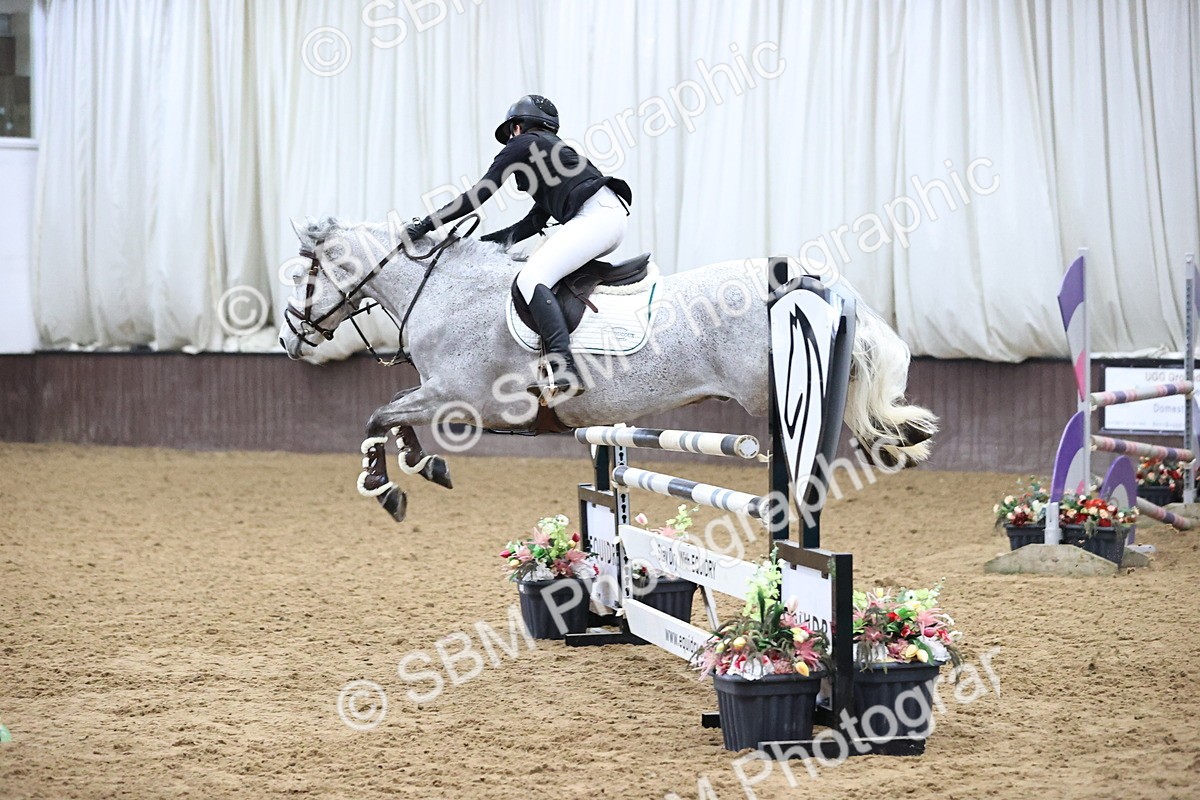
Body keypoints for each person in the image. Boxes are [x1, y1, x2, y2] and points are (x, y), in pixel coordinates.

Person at [403, 95, 632, 396]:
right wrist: (476, 246)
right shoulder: (553, 156)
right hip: (608, 217)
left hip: (596, 218)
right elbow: (532, 224)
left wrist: (426, 224)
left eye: (512, 132)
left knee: (531, 278)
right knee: (542, 274)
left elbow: (477, 195)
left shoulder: (522, 145)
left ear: (518, 127)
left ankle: (565, 369)